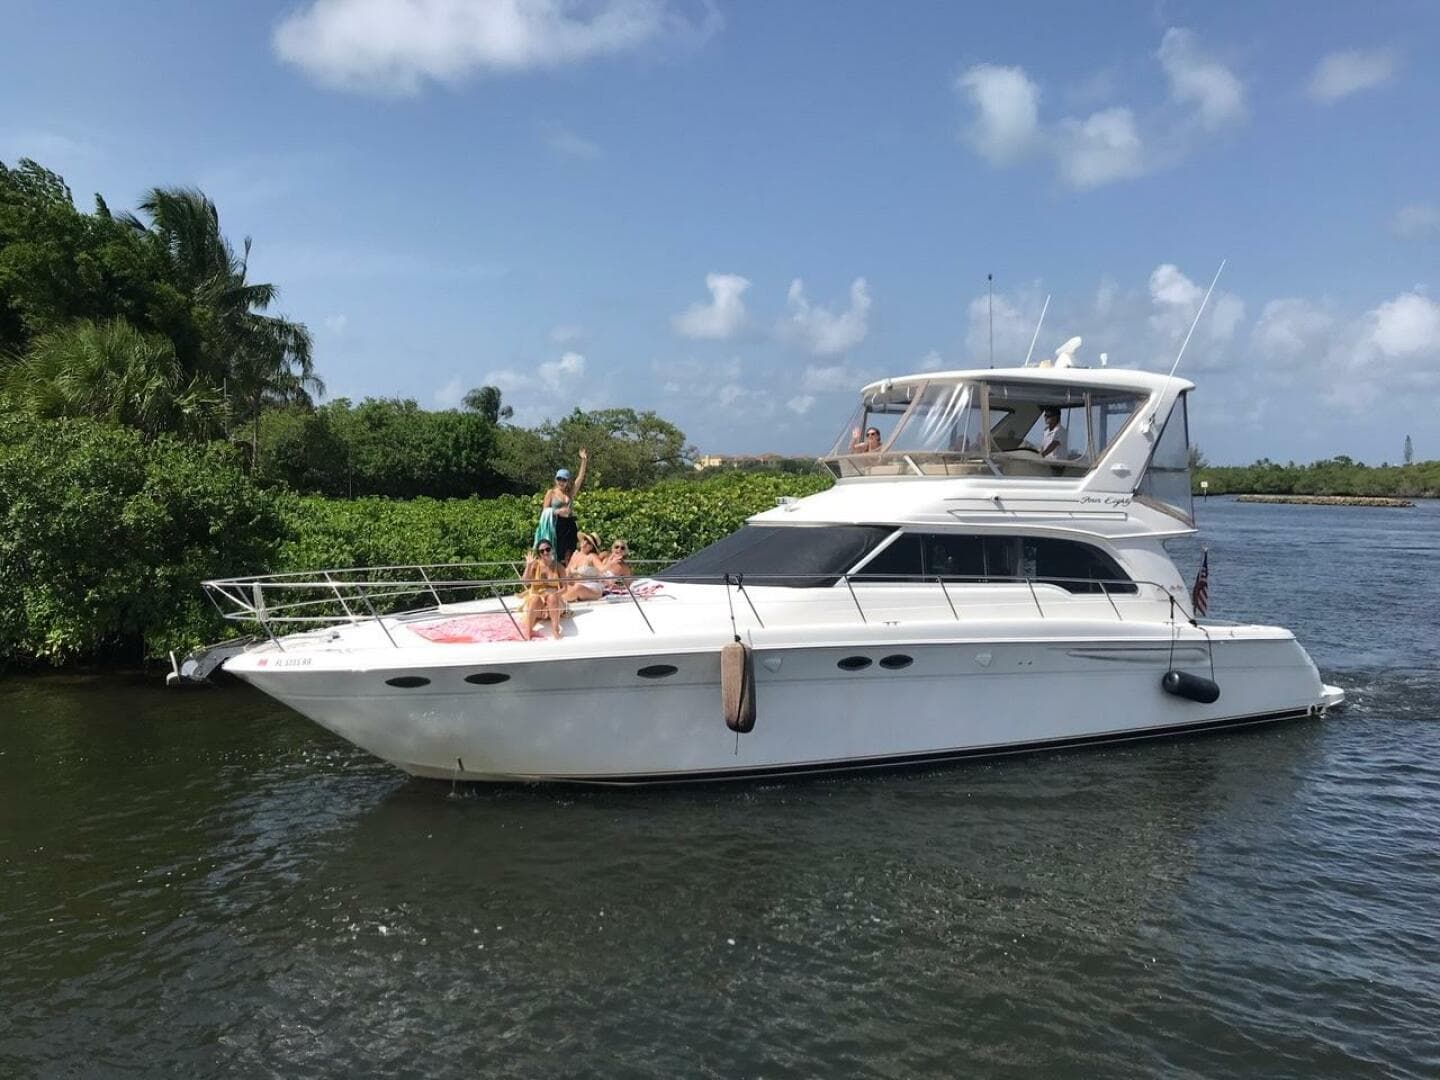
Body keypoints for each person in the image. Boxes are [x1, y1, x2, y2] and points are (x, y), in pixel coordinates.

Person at [535, 448, 588, 563]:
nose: (561, 482)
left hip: (569, 524)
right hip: (556, 525)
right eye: (559, 479)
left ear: (567, 481)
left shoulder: (569, 493)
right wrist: (557, 512)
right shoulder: (551, 493)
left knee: (570, 553)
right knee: (557, 554)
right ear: (555, 479)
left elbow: (580, 478)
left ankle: (568, 573)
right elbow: (544, 512)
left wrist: (584, 460)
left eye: (564, 479)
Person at [520, 542, 565, 640]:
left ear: (552, 550)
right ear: (539, 553)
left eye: (548, 549)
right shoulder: (535, 565)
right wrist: (528, 566)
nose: (545, 552)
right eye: (542, 551)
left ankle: (555, 630)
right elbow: (524, 582)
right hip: (538, 602)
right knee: (535, 599)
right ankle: (528, 631)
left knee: (552, 598)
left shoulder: (559, 567)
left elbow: (564, 589)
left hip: (554, 601)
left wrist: (554, 595)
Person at [562, 531, 607, 603]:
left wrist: (611, 561)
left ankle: (558, 601)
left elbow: (602, 569)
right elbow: (567, 572)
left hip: (591, 587)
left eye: (589, 543)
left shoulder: (592, 556)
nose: (585, 543)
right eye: (585, 539)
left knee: (578, 588)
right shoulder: (575, 555)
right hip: (575, 585)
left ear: (592, 547)